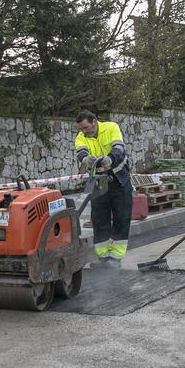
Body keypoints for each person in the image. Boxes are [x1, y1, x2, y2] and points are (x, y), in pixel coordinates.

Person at [74, 110, 132, 269]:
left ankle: (116, 257)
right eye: (81, 129)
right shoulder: (81, 136)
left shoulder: (111, 127)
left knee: (122, 216)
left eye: (86, 127)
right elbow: (81, 151)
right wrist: (86, 158)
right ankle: (103, 256)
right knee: (99, 219)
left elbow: (119, 149)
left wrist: (110, 159)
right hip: (99, 182)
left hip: (119, 178)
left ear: (94, 121)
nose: (84, 132)